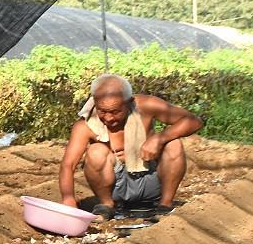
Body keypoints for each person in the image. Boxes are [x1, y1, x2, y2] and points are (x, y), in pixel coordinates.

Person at [58, 73, 203, 218]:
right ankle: (106, 205)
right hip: (116, 187)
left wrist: (159, 138)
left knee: (173, 143)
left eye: (115, 112)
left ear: (128, 102)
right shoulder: (85, 125)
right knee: (96, 151)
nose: (109, 118)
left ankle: (164, 205)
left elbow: (193, 121)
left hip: (151, 179)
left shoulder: (146, 106)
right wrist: (68, 198)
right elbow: (68, 165)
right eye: (102, 111)